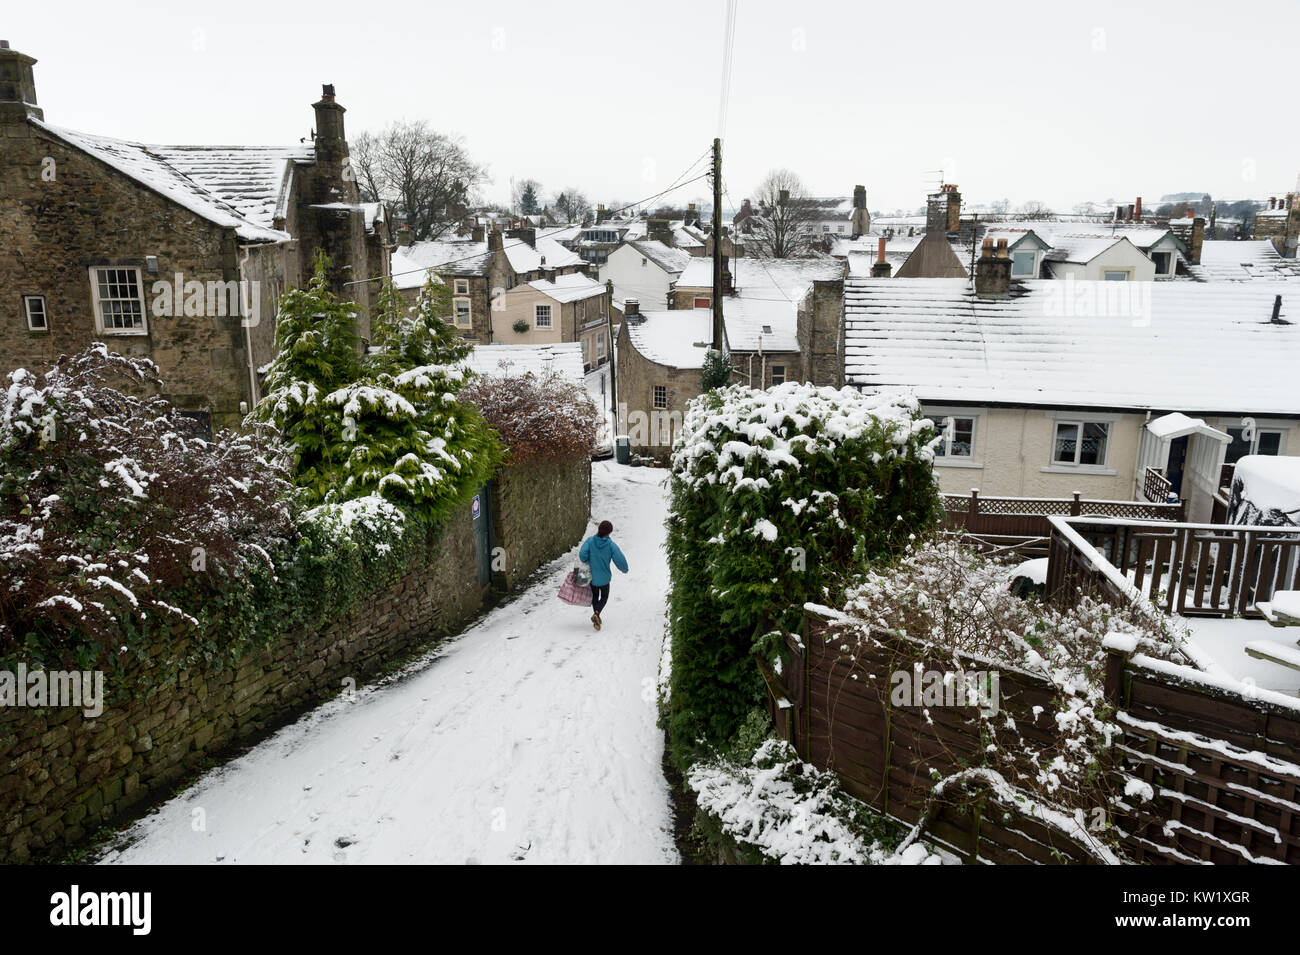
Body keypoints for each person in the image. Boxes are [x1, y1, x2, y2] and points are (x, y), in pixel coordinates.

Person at [578, 520, 628, 631]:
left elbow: (582, 555)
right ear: (609, 532)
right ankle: (597, 614)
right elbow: (620, 560)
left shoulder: (590, 541)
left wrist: (587, 558)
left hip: (592, 577)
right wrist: (625, 569)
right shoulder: (611, 545)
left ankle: (596, 616)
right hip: (605, 578)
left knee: (595, 597)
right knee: (604, 597)